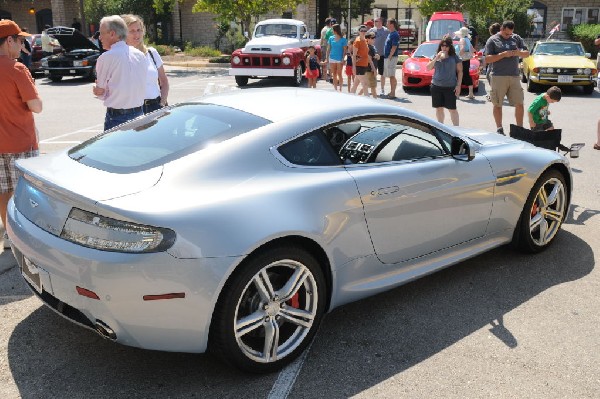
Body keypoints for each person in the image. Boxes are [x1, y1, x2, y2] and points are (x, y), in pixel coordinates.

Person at [0, 20, 42, 248]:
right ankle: (24, 238)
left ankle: (8, 234)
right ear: (9, 41)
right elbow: (36, 106)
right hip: (21, 142)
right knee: (25, 194)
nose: (22, 44)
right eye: (20, 40)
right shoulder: (16, 68)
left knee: (3, 191)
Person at [92, 15, 147, 131]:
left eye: (101, 33)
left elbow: (101, 93)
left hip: (117, 117)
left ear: (112, 34)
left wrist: (97, 90)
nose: (99, 38)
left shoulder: (106, 58)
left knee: (114, 149)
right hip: (140, 114)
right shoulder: (140, 55)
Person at [484, 20, 529, 135]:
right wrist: (503, 55)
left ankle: (519, 129)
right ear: (502, 29)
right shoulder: (493, 40)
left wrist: (518, 53)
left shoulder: (516, 38)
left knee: (519, 103)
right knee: (497, 103)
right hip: (498, 76)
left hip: (514, 76)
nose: (509, 36)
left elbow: (527, 53)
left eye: (511, 34)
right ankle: (499, 129)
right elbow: (487, 59)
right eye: (506, 34)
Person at [122, 14, 169, 114]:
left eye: (139, 30)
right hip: (133, 110)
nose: (137, 34)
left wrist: (162, 103)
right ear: (124, 34)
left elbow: (164, 82)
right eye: (132, 31)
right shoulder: (121, 56)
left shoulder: (152, 53)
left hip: (156, 106)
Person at [426, 35, 462, 126]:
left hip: (450, 87)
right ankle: (441, 127)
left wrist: (458, 85)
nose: (444, 47)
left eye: (446, 46)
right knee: (439, 108)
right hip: (436, 86)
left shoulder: (454, 57)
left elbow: (460, 71)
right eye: (442, 45)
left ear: (450, 47)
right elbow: (428, 68)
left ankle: (457, 130)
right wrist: (436, 58)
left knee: (452, 109)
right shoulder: (436, 55)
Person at [368, 17, 389, 96]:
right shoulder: (371, 30)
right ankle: (372, 88)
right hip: (373, 56)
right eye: (374, 21)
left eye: (376, 21)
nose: (375, 22)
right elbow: (367, 40)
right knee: (372, 72)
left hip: (382, 55)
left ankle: (382, 90)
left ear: (381, 21)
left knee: (382, 73)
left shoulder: (386, 31)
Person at [454, 26, 474, 99]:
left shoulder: (462, 39)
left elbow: (462, 49)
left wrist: (458, 57)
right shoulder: (468, 40)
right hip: (467, 60)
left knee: (458, 75)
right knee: (466, 75)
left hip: (461, 60)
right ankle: (471, 93)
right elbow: (472, 50)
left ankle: (457, 94)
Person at [350, 25, 371, 95]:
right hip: (359, 66)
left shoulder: (365, 40)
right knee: (365, 84)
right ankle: (367, 101)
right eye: (362, 31)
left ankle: (350, 98)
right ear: (359, 31)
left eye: (365, 31)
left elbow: (366, 54)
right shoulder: (357, 41)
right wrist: (354, 67)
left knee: (355, 84)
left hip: (364, 65)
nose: (363, 32)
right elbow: (354, 55)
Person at [326, 23, 347, 92]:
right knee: (334, 74)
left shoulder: (343, 39)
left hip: (339, 59)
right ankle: (335, 89)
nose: (332, 31)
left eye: (332, 29)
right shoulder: (331, 38)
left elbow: (344, 50)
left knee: (339, 73)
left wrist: (343, 58)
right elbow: (328, 49)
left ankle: (340, 88)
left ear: (335, 30)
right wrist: (327, 58)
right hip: (332, 58)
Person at [383, 18, 400, 99]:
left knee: (392, 75)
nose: (386, 24)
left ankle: (392, 93)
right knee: (390, 75)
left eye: (388, 22)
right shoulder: (391, 33)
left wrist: (390, 56)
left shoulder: (395, 34)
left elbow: (394, 46)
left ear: (392, 24)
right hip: (389, 57)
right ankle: (391, 92)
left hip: (391, 57)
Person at [359, 32, 379, 97]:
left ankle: (357, 97)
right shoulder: (368, 47)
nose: (374, 39)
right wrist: (374, 69)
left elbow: (375, 56)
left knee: (366, 85)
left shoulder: (372, 47)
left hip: (370, 69)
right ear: (367, 39)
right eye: (372, 38)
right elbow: (369, 59)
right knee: (373, 86)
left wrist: (376, 56)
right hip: (369, 70)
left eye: (374, 38)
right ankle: (375, 101)